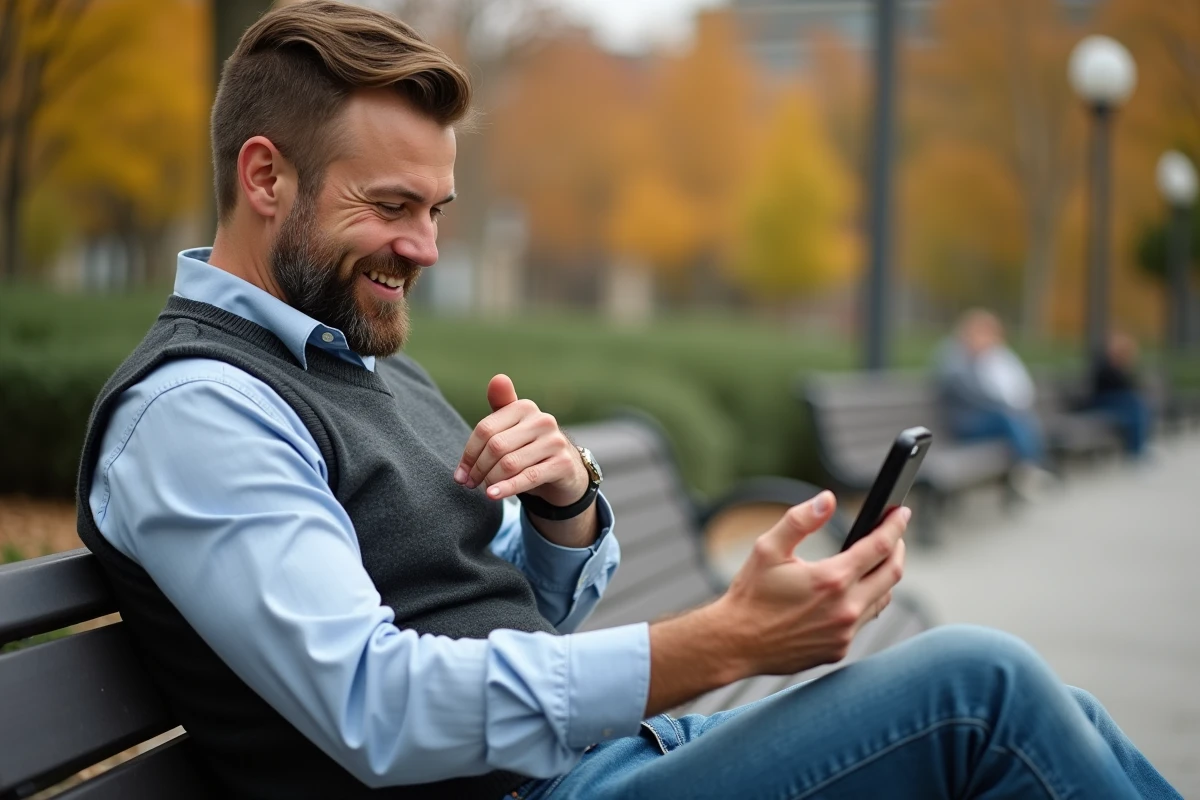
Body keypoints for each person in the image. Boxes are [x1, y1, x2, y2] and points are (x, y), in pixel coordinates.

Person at [74, 4, 1180, 798]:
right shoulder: (200, 413)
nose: (426, 247)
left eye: (441, 208)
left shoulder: (354, 357)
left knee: (1049, 715)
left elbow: (502, 622)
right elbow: (378, 705)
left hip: (599, 764)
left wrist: (565, 510)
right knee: (977, 692)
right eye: (394, 205)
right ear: (265, 178)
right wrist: (720, 641)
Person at [934, 309, 1054, 498]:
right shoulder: (954, 359)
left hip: (978, 421)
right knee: (1008, 417)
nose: (986, 340)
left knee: (1016, 417)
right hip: (963, 425)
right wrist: (1001, 403)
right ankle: (1028, 470)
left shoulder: (978, 358)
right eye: (983, 333)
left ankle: (1028, 468)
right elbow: (972, 394)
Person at [1088, 330, 1153, 457]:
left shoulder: (1118, 365)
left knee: (1138, 408)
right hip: (1103, 401)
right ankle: (1136, 449)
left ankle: (1138, 447)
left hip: (1118, 402)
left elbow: (1130, 384)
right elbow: (1120, 384)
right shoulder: (1103, 364)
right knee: (1135, 407)